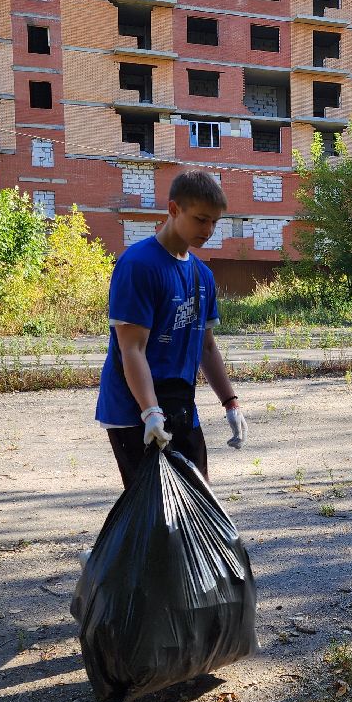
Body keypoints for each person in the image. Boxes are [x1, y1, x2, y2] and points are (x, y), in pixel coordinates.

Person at [95, 170, 248, 489]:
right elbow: (132, 348)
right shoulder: (139, 266)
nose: (208, 230)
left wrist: (230, 402)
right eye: (201, 219)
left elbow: (206, 347)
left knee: (199, 502)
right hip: (133, 411)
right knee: (153, 512)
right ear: (174, 209)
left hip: (180, 407)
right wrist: (150, 411)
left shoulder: (202, 275)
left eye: (214, 222)